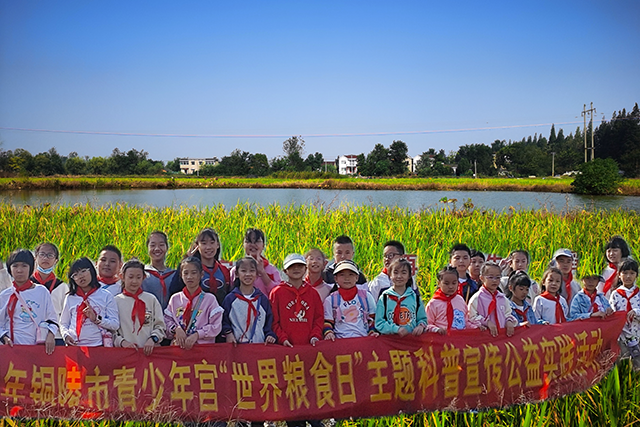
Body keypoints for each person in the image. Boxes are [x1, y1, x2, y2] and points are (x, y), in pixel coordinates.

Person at [0, 249, 57, 354]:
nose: (19, 270)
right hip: (10, 350)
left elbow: (53, 319)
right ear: (10, 269)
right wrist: (4, 337)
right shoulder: (5, 295)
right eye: (15, 266)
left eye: (24, 266)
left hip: (36, 349)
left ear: (31, 268)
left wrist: (51, 334)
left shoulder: (41, 291)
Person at [164, 257, 224, 348]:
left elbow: (216, 326)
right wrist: (176, 329)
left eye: (194, 273)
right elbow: (166, 321)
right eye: (186, 273)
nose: (189, 277)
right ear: (181, 275)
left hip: (202, 351)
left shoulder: (210, 299)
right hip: (178, 350)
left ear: (202, 275)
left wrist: (198, 335)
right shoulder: (175, 299)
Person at [60, 257, 120, 347]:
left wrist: (96, 319)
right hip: (75, 346)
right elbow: (64, 323)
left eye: (83, 271)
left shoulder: (106, 296)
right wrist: (66, 335)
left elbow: (115, 324)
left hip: (99, 346)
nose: (80, 276)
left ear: (91, 271)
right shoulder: (70, 297)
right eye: (75, 274)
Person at [270, 254, 323, 347]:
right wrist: (282, 338)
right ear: (285, 271)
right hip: (284, 347)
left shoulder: (313, 293)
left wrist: (315, 336)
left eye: (300, 266)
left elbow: (318, 319)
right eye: (292, 266)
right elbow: (273, 321)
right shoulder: (277, 293)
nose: (296, 269)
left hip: (309, 346)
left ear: (305, 269)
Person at [114, 259, 165, 355]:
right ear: (122, 277)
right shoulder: (116, 301)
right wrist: (122, 342)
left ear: (144, 278)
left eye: (138, 277)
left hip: (149, 354)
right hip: (125, 354)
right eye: (130, 277)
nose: (134, 281)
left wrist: (153, 339)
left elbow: (160, 326)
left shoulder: (151, 299)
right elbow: (111, 330)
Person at [222, 257, 276, 345]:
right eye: (243, 271)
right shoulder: (230, 299)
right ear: (236, 274)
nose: (248, 274)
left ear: (257, 274)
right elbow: (224, 321)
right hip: (237, 348)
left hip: (259, 347)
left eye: (252, 271)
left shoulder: (262, 299)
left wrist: (270, 335)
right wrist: (228, 333)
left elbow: (269, 323)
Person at [170, 228, 230, 305]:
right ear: (197, 246)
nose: (208, 247)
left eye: (212, 243)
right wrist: (186, 259)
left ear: (217, 245)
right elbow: (174, 289)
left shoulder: (224, 271)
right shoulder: (191, 270)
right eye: (204, 243)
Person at [323, 260, 377, 340]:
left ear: (357, 278)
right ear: (335, 278)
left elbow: (373, 318)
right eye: (342, 275)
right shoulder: (330, 300)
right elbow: (327, 322)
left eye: (351, 274)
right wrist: (329, 333)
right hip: (340, 340)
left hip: (363, 339)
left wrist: (372, 331)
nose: (347, 278)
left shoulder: (366, 296)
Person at [375, 258, 427, 336]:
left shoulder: (415, 298)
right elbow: (379, 323)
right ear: (390, 275)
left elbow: (422, 319)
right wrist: (396, 329)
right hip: (390, 342)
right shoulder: (385, 298)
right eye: (395, 273)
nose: (399, 276)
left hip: (410, 342)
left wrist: (420, 326)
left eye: (403, 273)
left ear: (409, 275)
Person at [30, 242, 70, 343]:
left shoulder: (62, 287)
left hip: (56, 337)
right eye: (42, 254)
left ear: (56, 260)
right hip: (30, 335)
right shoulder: (28, 284)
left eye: (50, 255)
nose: (45, 258)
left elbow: (66, 315)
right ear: (36, 257)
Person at [468, 262, 517, 337]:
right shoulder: (477, 298)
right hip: (484, 338)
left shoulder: (502, 298)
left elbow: (508, 314)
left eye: (497, 277)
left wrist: (509, 321)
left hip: (501, 338)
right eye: (490, 277)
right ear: (481, 278)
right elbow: (471, 317)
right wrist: (486, 322)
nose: (494, 280)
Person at [426, 266, 477, 334]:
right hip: (441, 341)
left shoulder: (460, 300)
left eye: (454, 283)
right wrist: (437, 330)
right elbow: (427, 324)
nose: (450, 287)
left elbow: (466, 321)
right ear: (439, 283)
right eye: (446, 283)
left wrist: (476, 328)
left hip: (459, 340)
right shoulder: (433, 303)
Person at [230, 228, 280, 298]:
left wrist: (262, 273)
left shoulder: (271, 270)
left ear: (263, 245)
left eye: (257, 241)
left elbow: (278, 293)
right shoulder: (235, 270)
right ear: (243, 245)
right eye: (249, 241)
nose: (253, 245)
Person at [609, 259, 640, 368]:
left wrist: (636, 312)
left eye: (632, 273)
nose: (628, 276)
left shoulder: (639, 293)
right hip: (621, 335)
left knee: (637, 365)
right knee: (622, 363)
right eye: (625, 273)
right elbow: (612, 313)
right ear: (619, 275)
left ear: (636, 275)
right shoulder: (615, 294)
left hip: (637, 333)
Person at [142, 231, 176, 310]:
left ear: (167, 247)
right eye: (153, 245)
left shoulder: (174, 275)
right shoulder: (141, 273)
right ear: (147, 248)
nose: (157, 249)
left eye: (161, 245)